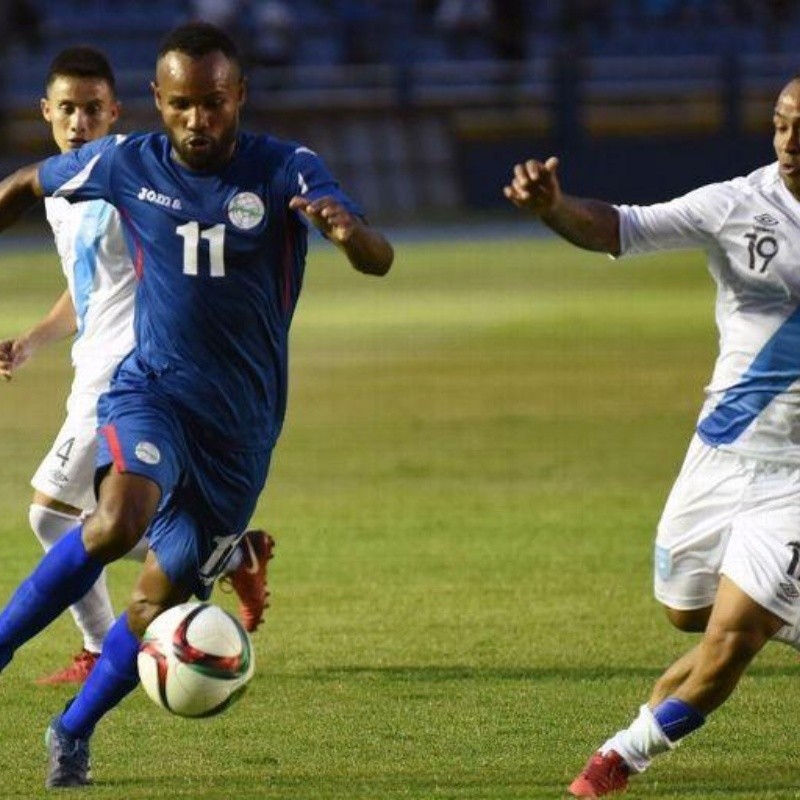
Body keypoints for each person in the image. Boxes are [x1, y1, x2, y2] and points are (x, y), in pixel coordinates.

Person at [0, 20, 391, 790]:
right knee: (115, 521)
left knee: (153, 605)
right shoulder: (124, 159)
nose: (197, 121)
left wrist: (349, 235)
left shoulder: (287, 169)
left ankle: (71, 732)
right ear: (157, 100)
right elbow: (22, 186)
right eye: (181, 105)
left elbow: (378, 257)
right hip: (152, 391)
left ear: (238, 95)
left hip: (239, 433)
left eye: (213, 103)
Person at [504, 76, 800, 797]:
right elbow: (620, 227)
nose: (790, 143)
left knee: (733, 638)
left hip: (796, 477)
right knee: (689, 614)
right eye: (781, 125)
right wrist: (554, 211)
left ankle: (611, 765)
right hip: (722, 454)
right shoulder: (739, 204)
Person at [0, 46, 275, 688]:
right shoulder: (62, 191)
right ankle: (232, 550)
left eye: (92, 110)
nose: (78, 123)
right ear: (45, 112)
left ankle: (100, 646)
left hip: (131, 371)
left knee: (52, 513)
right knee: (133, 513)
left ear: (115, 112)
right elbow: (87, 284)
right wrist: (35, 339)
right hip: (90, 360)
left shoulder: (127, 176)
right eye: (66, 109)